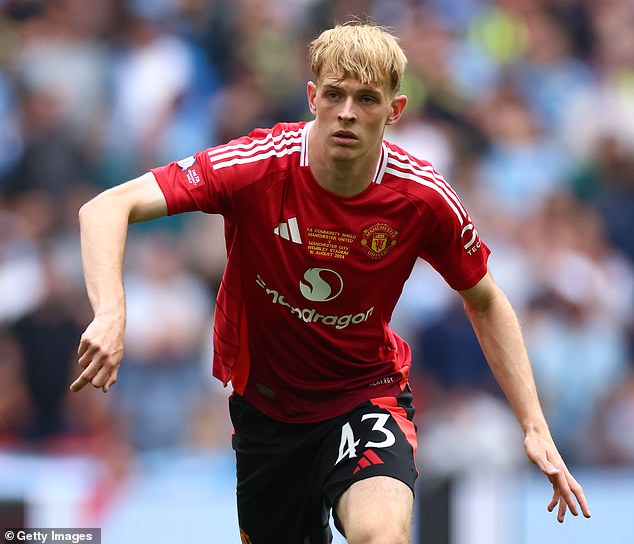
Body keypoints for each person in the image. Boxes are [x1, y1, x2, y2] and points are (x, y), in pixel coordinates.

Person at [70, 23, 591, 544]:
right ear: (312, 97)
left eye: (366, 99)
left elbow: (487, 301)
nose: (347, 112)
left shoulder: (422, 197)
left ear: (395, 110)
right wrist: (112, 313)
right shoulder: (256, 167)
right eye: (335, 94)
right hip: (265, 407)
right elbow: (106, 207)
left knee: (381, 535)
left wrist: (533, 424)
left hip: (363, 394)